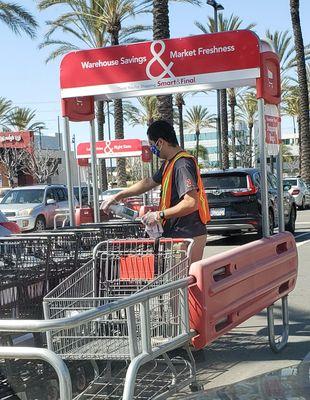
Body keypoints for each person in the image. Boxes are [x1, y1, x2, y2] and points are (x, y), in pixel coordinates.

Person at [101, 120, 210, 263]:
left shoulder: (182, 165)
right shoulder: (169, 163)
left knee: (183, 281)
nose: (152, 150)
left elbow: (191, 203)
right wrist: (118, 196)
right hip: (179, 234)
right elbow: (148, 182)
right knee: (176, 281)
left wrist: (159, 215)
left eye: (152, 146)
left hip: (188, 235)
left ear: (160, 142)